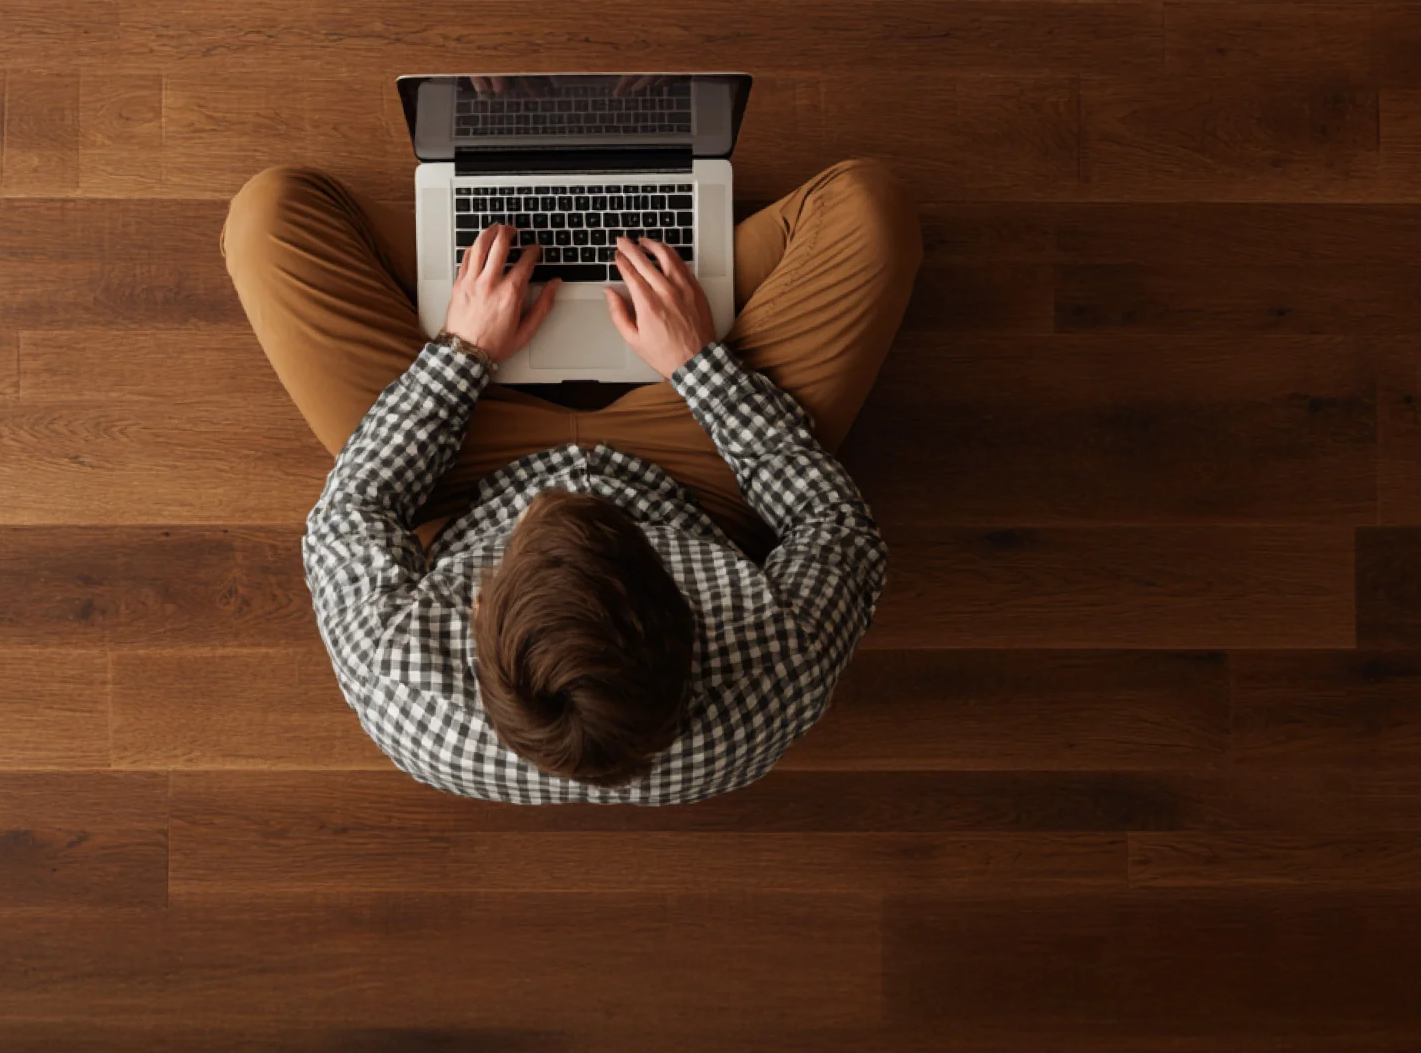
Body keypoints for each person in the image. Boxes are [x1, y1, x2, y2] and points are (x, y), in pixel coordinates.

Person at [222, 158, 921, 804]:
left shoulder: (401, 677)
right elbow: (835, 528)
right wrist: (698, 363)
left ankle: (489, 255)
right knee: (870, 208)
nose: (571, 492)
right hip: (695, 470)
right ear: (690, 622)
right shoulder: (780, 674)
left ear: (480, 623)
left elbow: (354, 507)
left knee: (268, 216)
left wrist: (462, 353)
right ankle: (622, 250)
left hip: (466, 472)